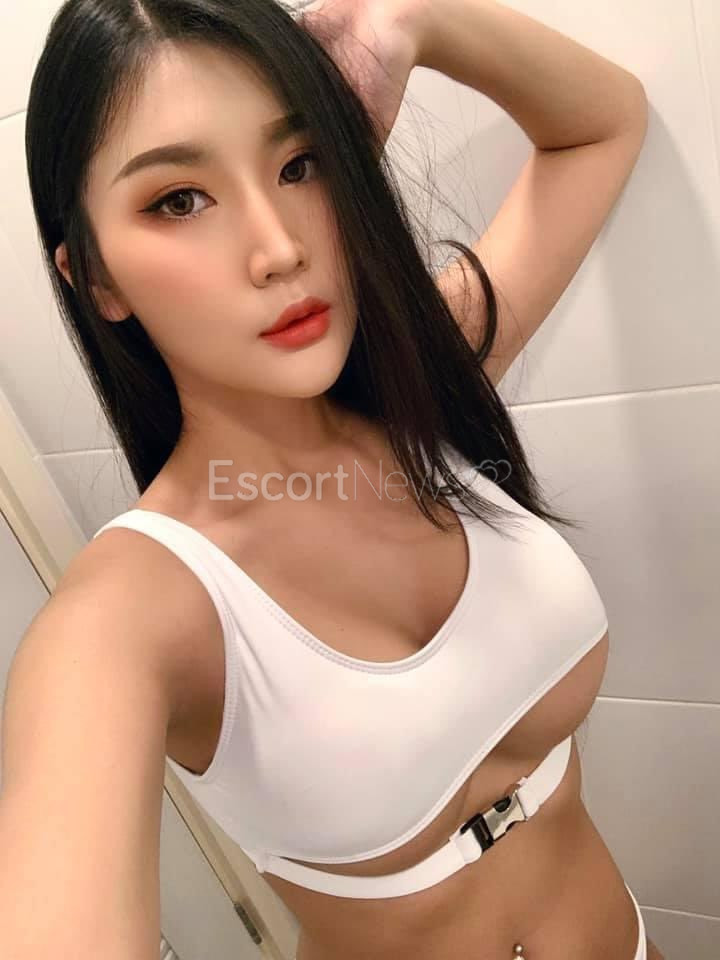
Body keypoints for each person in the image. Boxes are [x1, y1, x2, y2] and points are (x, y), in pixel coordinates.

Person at [1, 0, 656, 958]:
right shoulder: (126, 622)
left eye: (300, 163)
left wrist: (417, 21)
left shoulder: (426, 387)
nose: (281, 249)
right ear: (96, 279)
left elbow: (603, 122)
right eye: (178, 200)